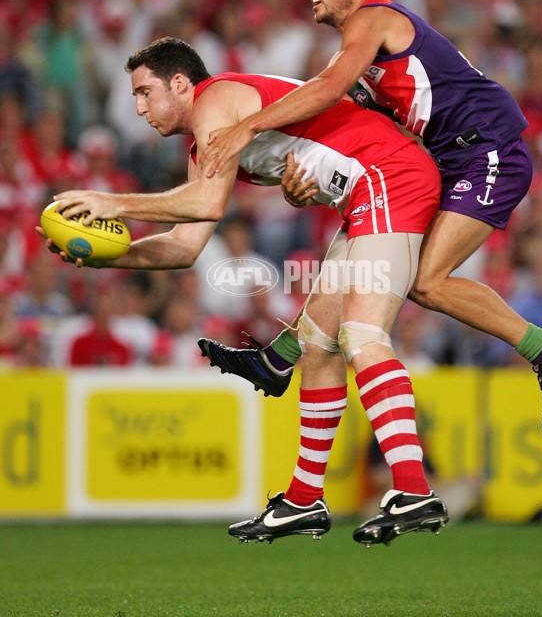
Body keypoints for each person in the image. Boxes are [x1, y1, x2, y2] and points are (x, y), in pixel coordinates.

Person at [43, 36, 446, 546]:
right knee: (318, 345)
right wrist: (108, 256)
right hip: (367, 193)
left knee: (361, 333)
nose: (139, 107)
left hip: (391, 177)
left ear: (182, 83)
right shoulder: (203, 145)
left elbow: (207, 204)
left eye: (145, 92)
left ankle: (412, 488)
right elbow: (187, 245)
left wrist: (114, 203)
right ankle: (304, 500)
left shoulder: (216, 98)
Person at [197, 0, 542, 436]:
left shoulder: (373, 18)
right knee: (365, 246)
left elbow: (327, 89)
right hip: (451, 161)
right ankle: (279, 358)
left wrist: (246, 126)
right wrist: (302, 182)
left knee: (425, 281)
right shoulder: (362, 46)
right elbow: (346, 124)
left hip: (488, 152)